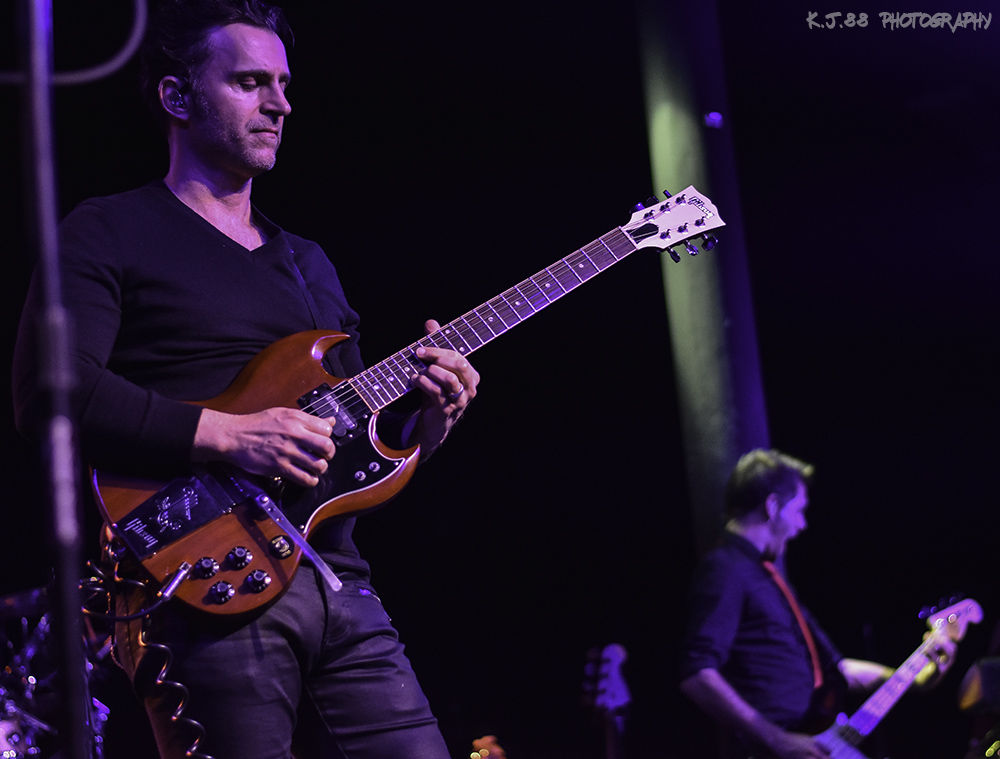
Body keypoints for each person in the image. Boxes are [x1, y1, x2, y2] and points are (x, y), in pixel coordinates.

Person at [12, 1, 480, 758]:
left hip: (338, 583)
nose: (280, 103)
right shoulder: (108, 230)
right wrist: (229, 435)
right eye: (250, 82)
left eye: (285, 85)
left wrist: (429, 417)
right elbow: (49, 390)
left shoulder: (309, 261)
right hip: (198, 582)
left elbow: (355, 442)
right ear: (177, 97)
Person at [678, 449, 954, 759]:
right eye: (798, 511)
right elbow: (697, 674)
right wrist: (776, 739)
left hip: (817, 737)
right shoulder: (725, 569)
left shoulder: (767, 577)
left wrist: (914, 675)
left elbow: (838, 671)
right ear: (772, 506)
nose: (802, 525)